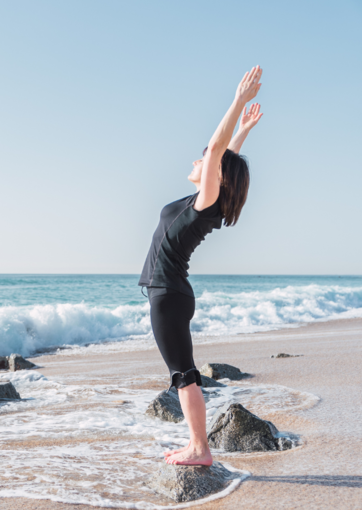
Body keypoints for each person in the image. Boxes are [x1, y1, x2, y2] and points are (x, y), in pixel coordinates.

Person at [138, 66, 264, 466]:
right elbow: (221, 156)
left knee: (183, 374)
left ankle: (200, 449)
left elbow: (215, 152)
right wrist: (242, 131)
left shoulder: (204, 205)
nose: (200, 159)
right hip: (172, 294)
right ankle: (196, 445)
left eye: (207, 161)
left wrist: (237, 101)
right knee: (184, 372)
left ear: (216, 177)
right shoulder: (202, 204)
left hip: (169, 296)